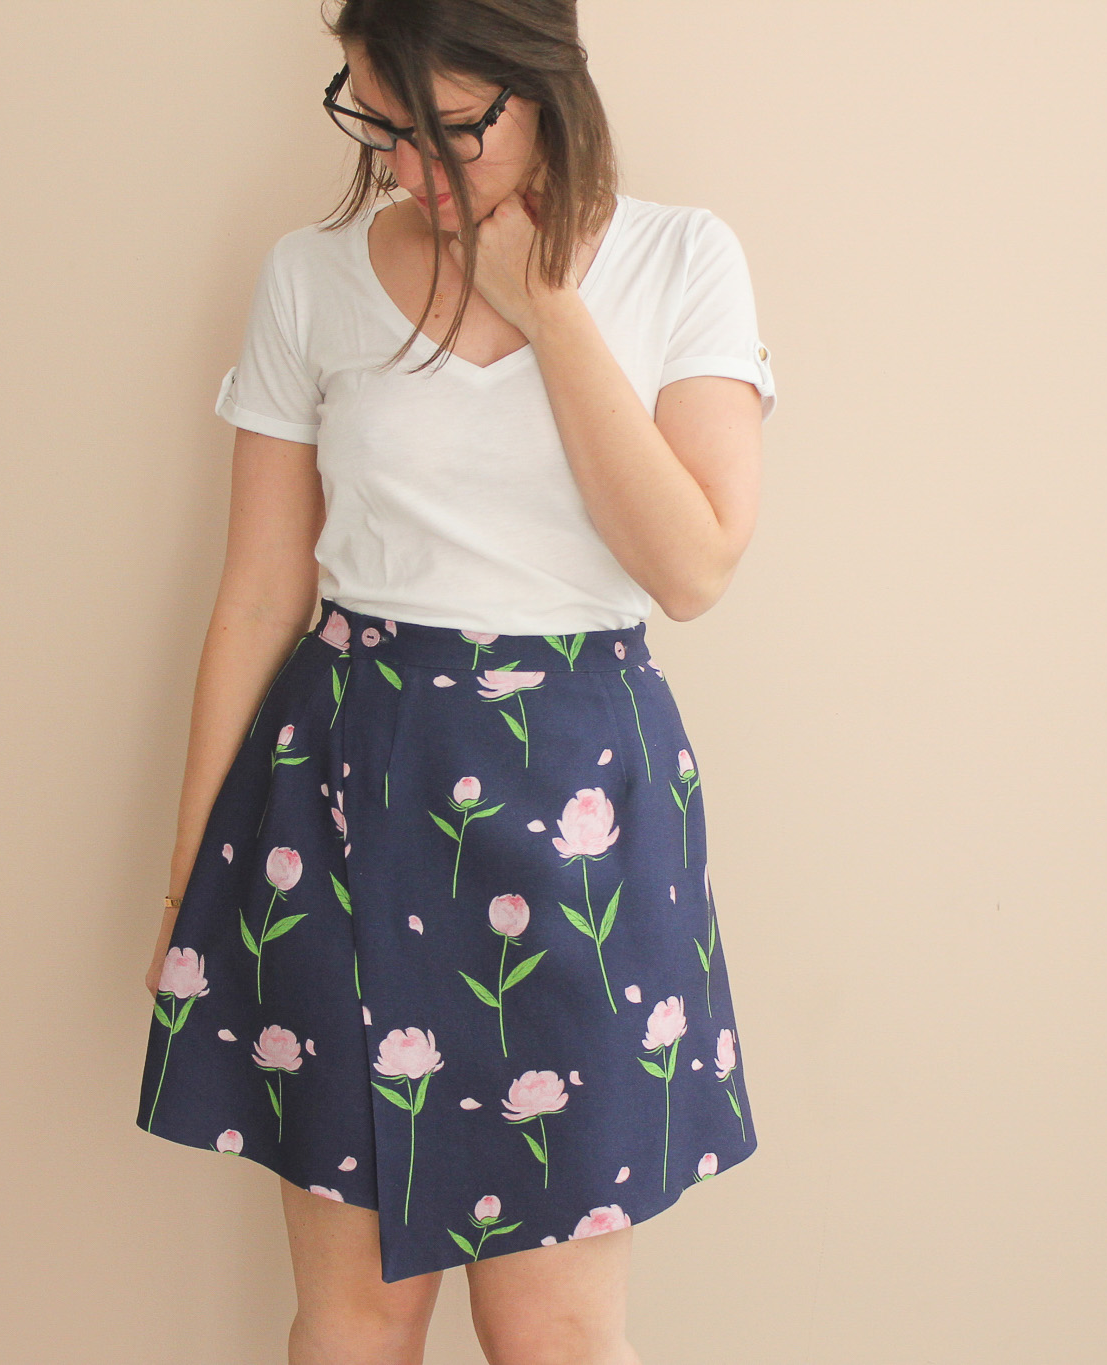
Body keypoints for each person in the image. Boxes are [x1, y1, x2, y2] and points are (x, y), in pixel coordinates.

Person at [137, 3, 775, 1360]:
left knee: (553, 1325)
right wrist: (192, 882)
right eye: (379, 122)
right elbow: (258, 594)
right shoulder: (309, 277)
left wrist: (548, 308)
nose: (412, 165)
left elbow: (692, 565)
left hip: (584, 818)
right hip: (342, 802)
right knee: (357, 1313)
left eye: (453, 128)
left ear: (545, 86)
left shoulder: (682, 258)